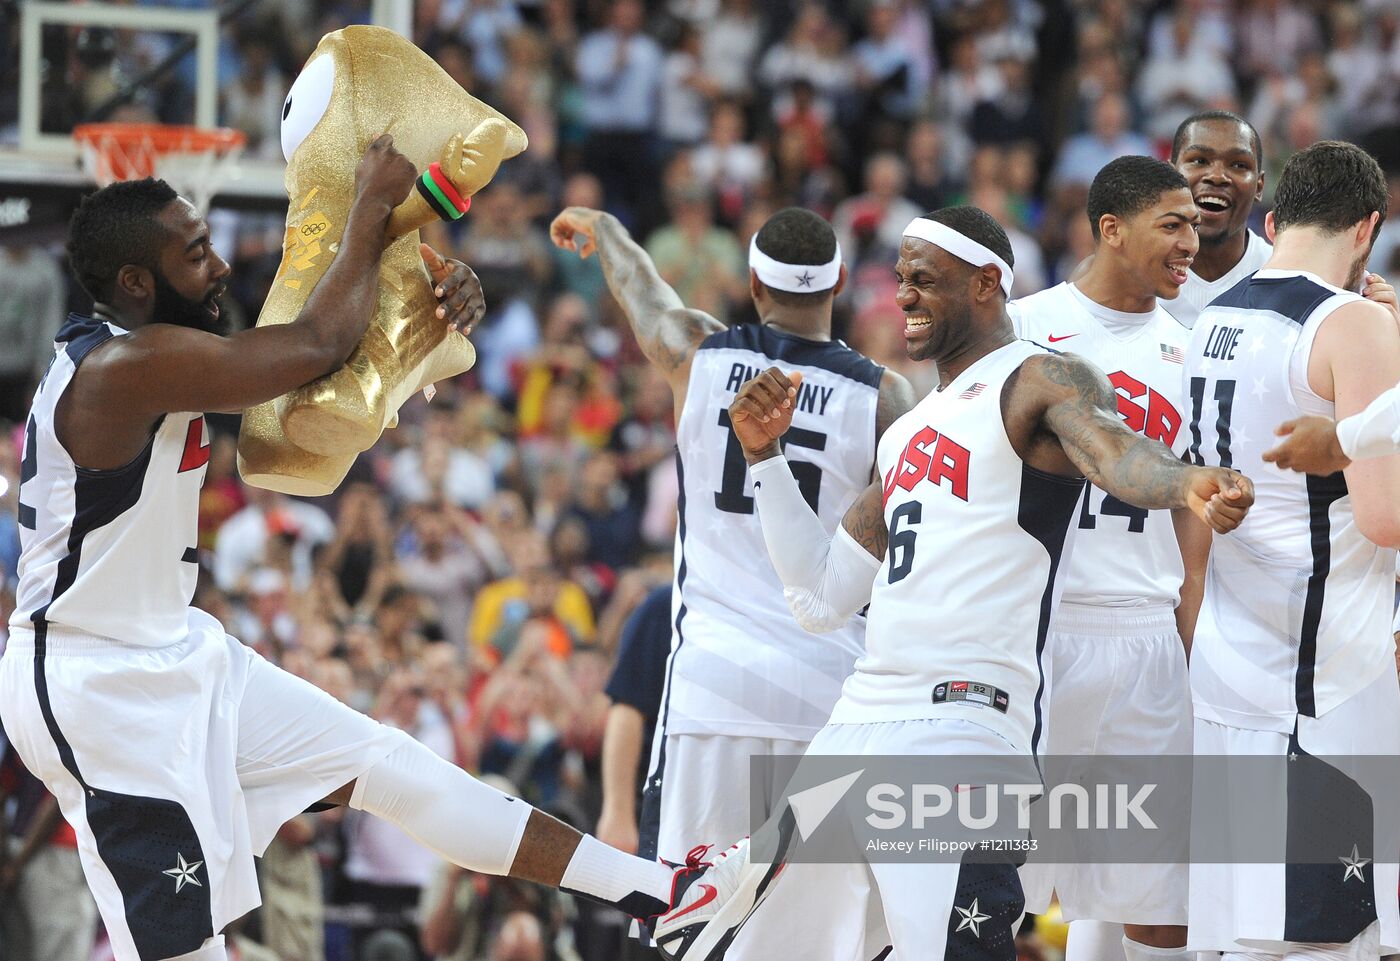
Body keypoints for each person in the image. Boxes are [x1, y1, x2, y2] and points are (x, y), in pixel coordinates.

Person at [0, 138, 708, 961]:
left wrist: (425, 318)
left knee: (392, 765)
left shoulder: (166, 351)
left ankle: (665, 894)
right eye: (196, 254)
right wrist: (370, 206)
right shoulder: (123, 367)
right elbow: (311, 346)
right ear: (135, 283)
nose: (222, 264)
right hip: (96, 687)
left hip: (174, 648)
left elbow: (320, 398)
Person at [652, 206, 1254, 961]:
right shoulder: (906, 428)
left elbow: (1115, 452)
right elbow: (819, 595)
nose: (901, 293)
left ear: (986, 284)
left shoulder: (1038, 376)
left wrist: (1188, 482)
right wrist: (764, 460)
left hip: (962, 726)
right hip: (854, 724)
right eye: (899, 277)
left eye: (923, 278)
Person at [549, 204, 915, 952]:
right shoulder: (887, 397)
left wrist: (607, 229)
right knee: (811, 935)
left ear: (752, 282)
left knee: (688, 919)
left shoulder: (698, 354)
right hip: (830, 696)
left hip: (715, 691)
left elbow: (642, 290)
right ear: (840, 281)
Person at [1181, 139, 1400, 961]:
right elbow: (1386, 518)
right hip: (1325, 675)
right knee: (1321, 937)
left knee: (1248, 931)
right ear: (1367, 228)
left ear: (1275, 220)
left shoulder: (1213, 317)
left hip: (1231, 662)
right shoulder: (1352, 323)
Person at [1008, 156, 1200, 961]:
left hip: (1148, 634)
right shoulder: (1022, 327)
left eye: (1195, 223)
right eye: (1174, 223)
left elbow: (1197, 522)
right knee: (997, 887)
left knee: (1160, 903)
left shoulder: (1188, 348)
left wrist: (1187, 639)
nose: (1192, 241)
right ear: (1111, 230)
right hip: (1041, 635)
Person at [1164, 110, 1273, 329]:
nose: (1216, 176)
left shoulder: (1282, 277)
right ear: (1169, 176)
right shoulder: (1134, 276)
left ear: (1259, 186)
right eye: (1199, 160)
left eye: (1238, 165)